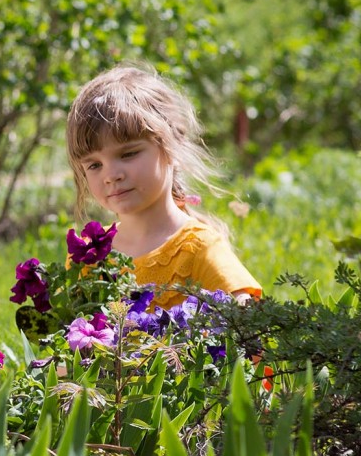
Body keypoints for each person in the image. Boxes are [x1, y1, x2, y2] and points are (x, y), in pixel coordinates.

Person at [66, 65, 263, 306]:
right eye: (94, 165)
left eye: (128, 154)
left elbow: (250, 326)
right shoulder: (88, 254)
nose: (111, 175)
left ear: (172, 147)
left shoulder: (198, 248)